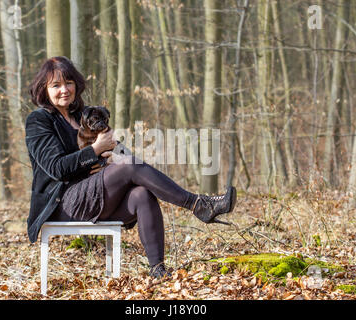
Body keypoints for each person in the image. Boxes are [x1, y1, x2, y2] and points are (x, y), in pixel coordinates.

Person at [25, 56, 237, 278]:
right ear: (44, 90)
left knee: (142, 193)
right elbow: (56, 168)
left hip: (93, 194)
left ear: (76, 84)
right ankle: (198, 204)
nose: (64, 90)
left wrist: (113, 154)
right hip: (62, 204)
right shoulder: (39, 120)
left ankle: (158, 271)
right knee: (128, 165)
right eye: (56, 85)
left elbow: (121, 154)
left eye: (68, 82)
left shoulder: (84, 115)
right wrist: (96, 150)